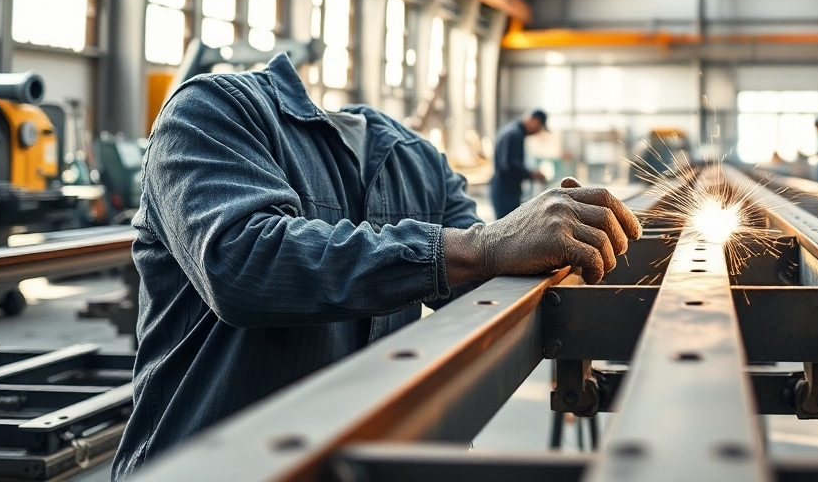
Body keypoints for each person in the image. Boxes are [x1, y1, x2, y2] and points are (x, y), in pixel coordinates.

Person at [112, 55, 639, 479]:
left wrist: (558, 246)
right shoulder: (215, 110)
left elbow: (491, 273)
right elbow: (243, 263)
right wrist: (480, 245)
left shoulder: (418, 160)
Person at [490, 109, 548, 218]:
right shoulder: (515, 134)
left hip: (504, 189)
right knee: (507, 229)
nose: (538, 131)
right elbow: (510, 166)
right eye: (539, 127)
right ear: (534, 120)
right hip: (506, 191)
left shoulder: (512, 131)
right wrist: (532, 174)